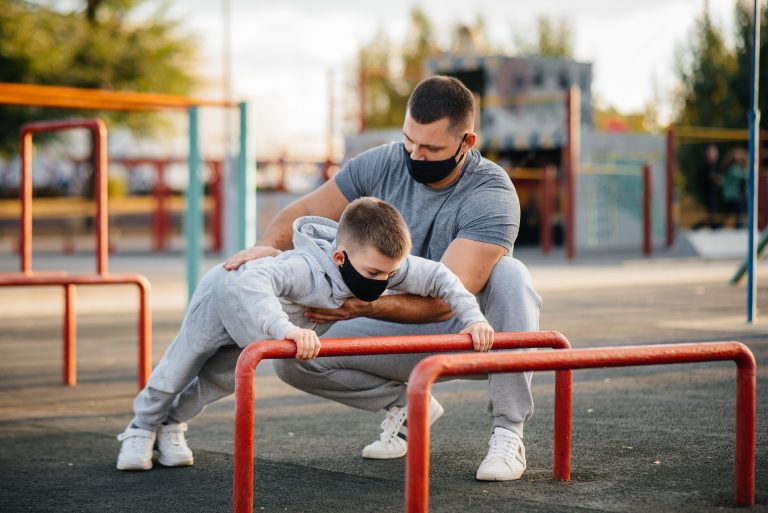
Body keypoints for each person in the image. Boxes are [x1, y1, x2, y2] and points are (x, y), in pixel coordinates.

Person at [224, 75, 541, 481]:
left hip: (475, 333)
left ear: (467, 142)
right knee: (293, 355)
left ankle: (508, 432)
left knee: (512, 275)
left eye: (432, 148)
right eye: (410, 140)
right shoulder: (383, 162)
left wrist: (361, 305)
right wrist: (267, 247)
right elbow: (305, 209)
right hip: (394, 318)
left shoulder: (491, 191)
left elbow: (444, 302)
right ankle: (409, 406)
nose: (416, 155)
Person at [116, 197, 494, 471]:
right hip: (223, 298)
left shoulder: (381, 262)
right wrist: (287, 330)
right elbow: (252, 282)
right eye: (374, 274)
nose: (382, 283)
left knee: (219, 381)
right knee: (182, 364)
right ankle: (141, 428)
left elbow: (442, 277)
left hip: (258, 331)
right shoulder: (304, 268)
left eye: (390, 275)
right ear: (340, 257)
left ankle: (171, 425)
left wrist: (473, 319)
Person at [721, 148, 748, 228]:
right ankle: (738, 226)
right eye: (738, 160)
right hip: (733, 195)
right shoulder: (733, 169)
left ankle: (737, 225)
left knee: (728, 213)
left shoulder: (732, 169)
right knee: (736, 213)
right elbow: (746, 175)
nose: (739, 162)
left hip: (730, 195)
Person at [699, 144, 722, 228]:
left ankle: (713, 226)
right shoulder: (706, 167)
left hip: (716, 194)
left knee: (714, 213)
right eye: (713, 152)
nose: (715, 154)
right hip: (709, 194)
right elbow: (706, 180)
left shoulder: (716, 166)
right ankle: (713, 226)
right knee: (712, 213)